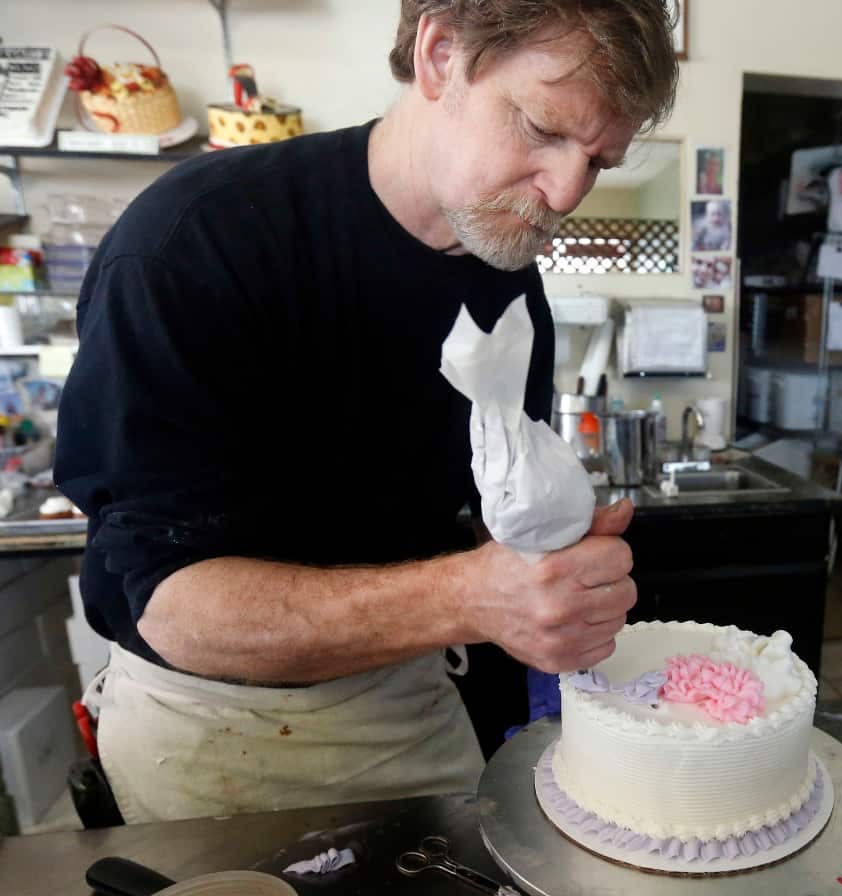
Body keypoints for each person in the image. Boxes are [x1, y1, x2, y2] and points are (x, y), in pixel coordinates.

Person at [54, 0, 679, 824]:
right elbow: (168, 606)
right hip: (209, 735)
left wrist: (542, 554)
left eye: (598, 161)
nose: (567, 193)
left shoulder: (504, 280)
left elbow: (481, 517)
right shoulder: (194, 246)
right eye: (542, 130)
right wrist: (470, 597)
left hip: (411, 695)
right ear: (440, 54)